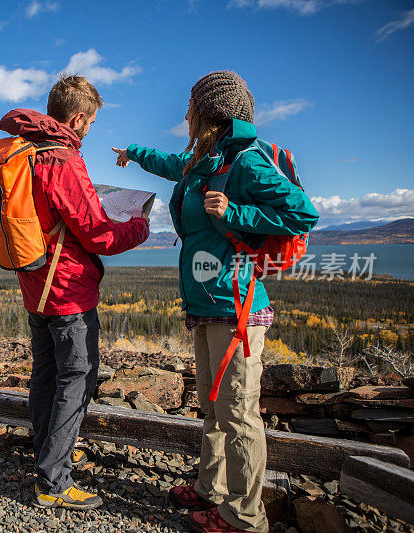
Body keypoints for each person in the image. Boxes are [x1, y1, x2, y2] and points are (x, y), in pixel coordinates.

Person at [112, 71, 318, 532]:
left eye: (190, 107)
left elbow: (303, 212)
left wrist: (235, 212)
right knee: (212, 404)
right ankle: (212, 489)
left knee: (239, 414)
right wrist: (133, 153)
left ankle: (245, 518)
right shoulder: (204, 159)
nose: (183, 114)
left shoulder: (245, 162)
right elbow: (171, 163)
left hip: (237, 307)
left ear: (210, 114)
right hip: (206, 306)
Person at [0, 75, 149, 510]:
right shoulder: (63, 159)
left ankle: (48, 452)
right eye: (92, 123)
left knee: (46, 372)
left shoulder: (26, 152)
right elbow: (100, 235)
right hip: (67, 290)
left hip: (36, 285)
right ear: (79, 118)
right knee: (76, 379)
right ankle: (54, 482)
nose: (89, 131)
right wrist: (138, 224)